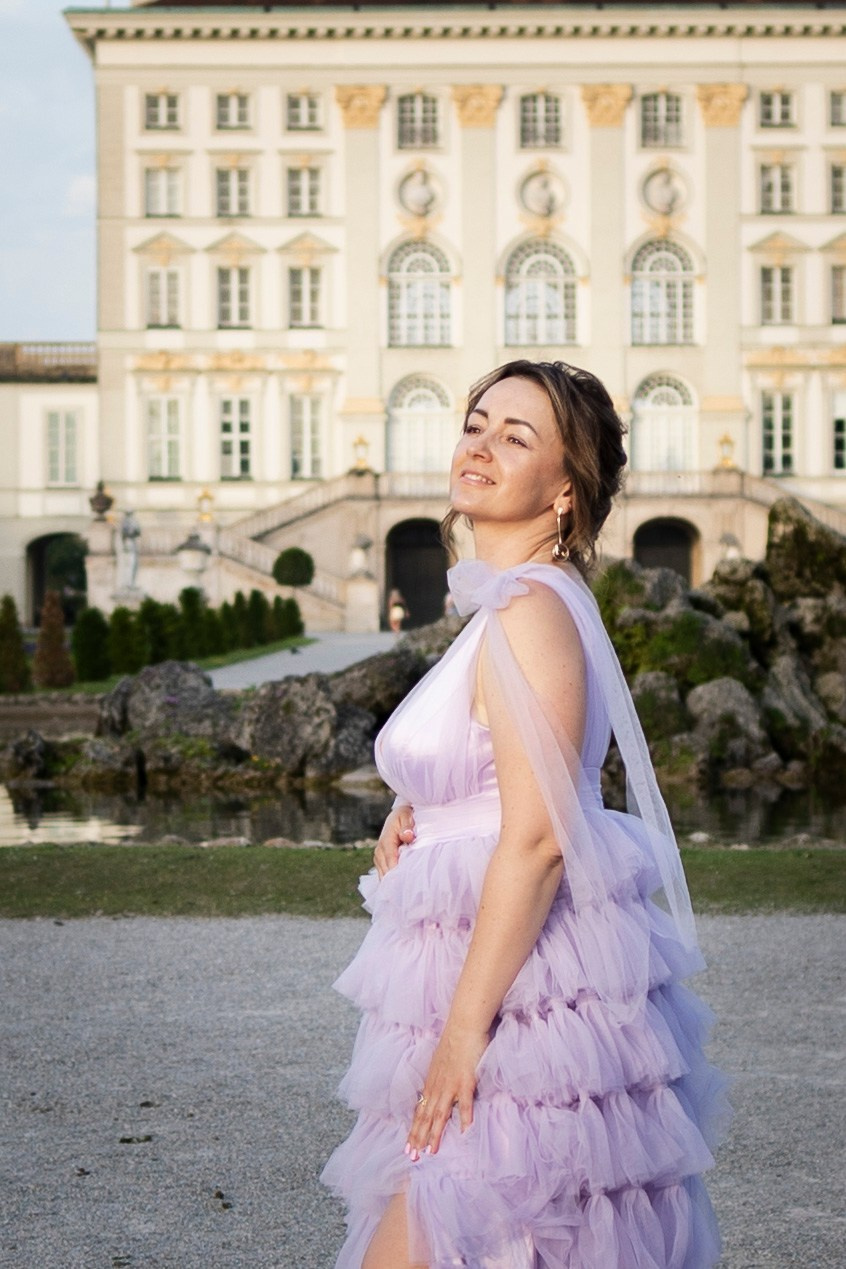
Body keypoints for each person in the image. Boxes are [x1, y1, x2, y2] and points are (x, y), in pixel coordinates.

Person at [322, 360, 731, 1268]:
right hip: (492, 979)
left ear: (566, 493)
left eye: (517, 437)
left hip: (523, 1006)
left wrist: (464, 1038)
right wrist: (421, 798)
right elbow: (507, 762)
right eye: (477, 421)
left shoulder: (530, 610)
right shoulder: (508, 609)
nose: (480, 442)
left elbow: (542, 838)